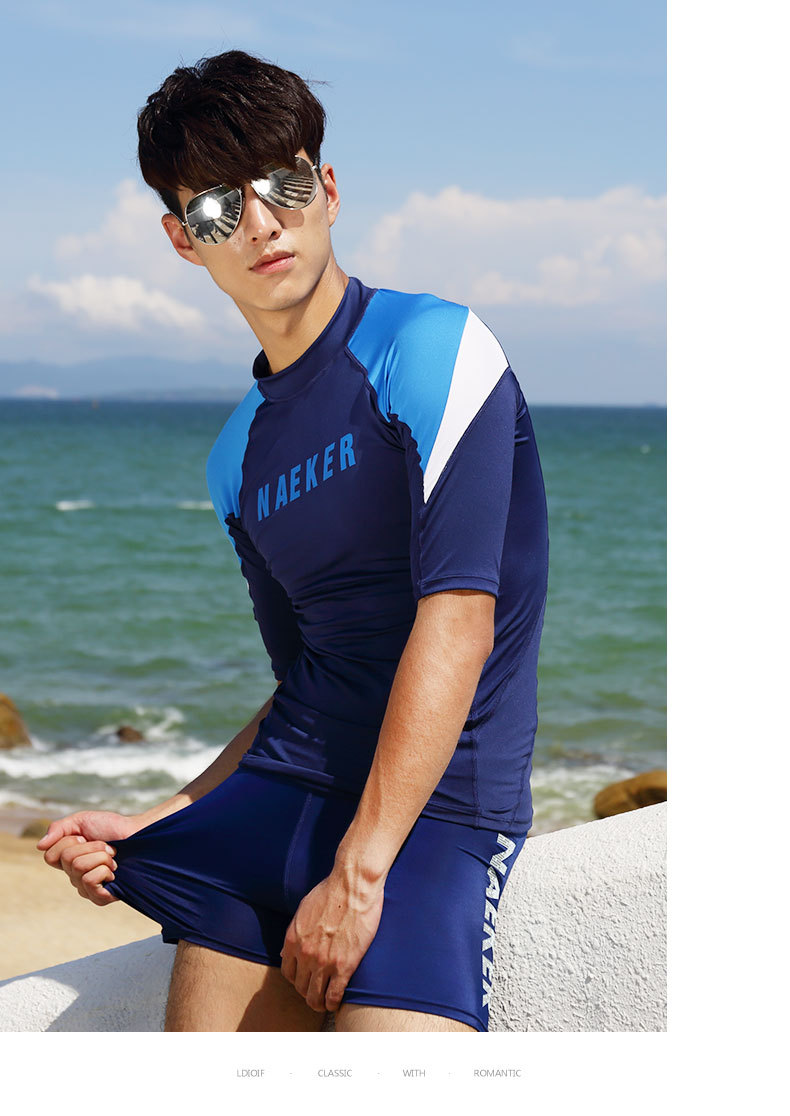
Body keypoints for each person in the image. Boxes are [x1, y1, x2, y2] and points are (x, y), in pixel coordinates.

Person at [37, 50, 549, 1033]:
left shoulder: (434, 348)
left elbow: (458, 618)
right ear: (183, 240)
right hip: (283, 803)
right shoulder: (236, 456)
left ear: (329, 189)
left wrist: (358, 872)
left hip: (435, 816)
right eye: (217, 207)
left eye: (285, 183)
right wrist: (162, 817)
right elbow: (305, 682)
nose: (261, 222)